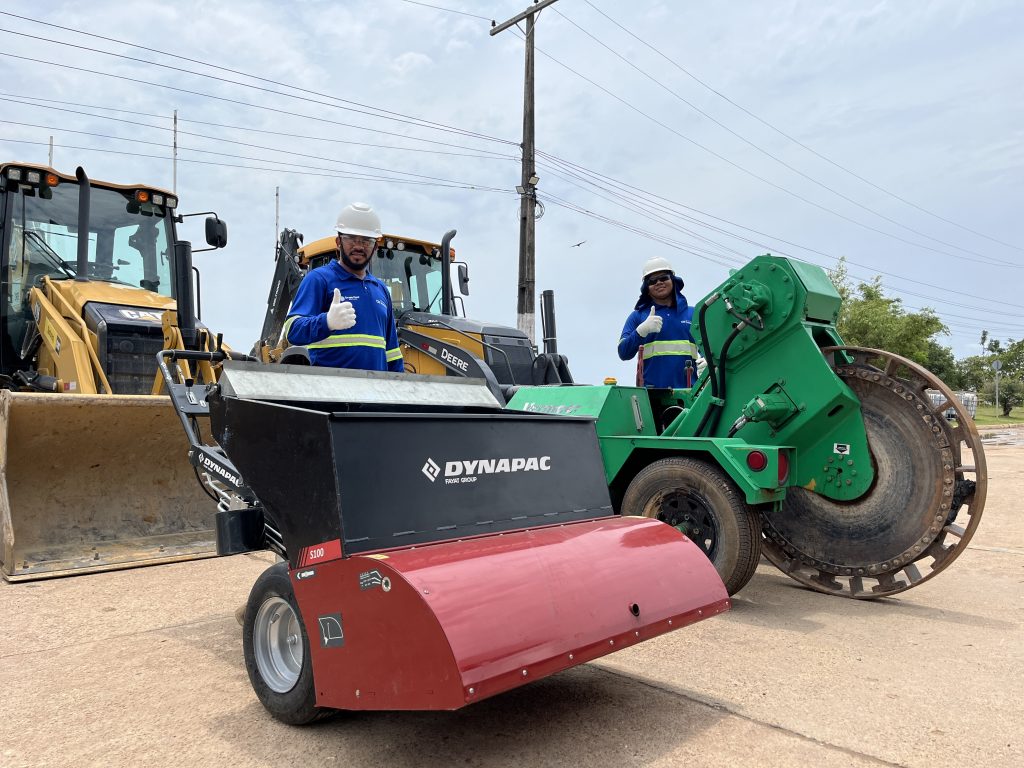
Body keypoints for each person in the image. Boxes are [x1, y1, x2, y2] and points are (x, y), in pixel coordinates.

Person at [283, 202, 404, 372]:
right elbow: (293, 330)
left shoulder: (381, 290)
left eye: (366, 241)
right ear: (338, 241)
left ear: (375, 247)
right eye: (351, 239)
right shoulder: (319, 279)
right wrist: (326, 322)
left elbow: (392, 352)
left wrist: (400, 389)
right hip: (332, 393)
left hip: (375, 393)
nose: (358, 246)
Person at [617, 256, 702, 388]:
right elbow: (623, 352)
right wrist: (640, 331)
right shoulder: (637, 317)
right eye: (652, 281)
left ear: (673, 280)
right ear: (646, 287)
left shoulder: (693, 314)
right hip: (652, 398)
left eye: (664, 278)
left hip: (691, 396)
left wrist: (709, 363)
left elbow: (712, 349)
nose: (659, 282)